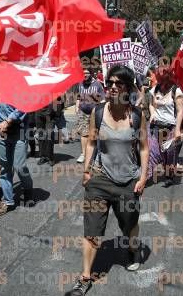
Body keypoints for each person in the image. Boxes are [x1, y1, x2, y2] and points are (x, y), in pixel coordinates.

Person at [70, 65, 149, 296]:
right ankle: (85, 277)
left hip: (128, 181)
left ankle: (132, 248)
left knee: (130, 225)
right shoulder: (97, 112)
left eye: (119, 83)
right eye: (110, 82)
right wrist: (86, 170)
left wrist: (143, 176)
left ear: (128, 88)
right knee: (92, 230)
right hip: (100, 179)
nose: (113, 87)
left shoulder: (136, 115)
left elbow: (144, 148)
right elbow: (92, 142)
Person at [148, 67, 183, 187]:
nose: (159, 82)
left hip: (171, 127)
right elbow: (151, 105)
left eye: (161, 79)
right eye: (158, 79)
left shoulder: (176, 91)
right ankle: (146, 175)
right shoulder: (155, 89)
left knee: (169, 152)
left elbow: (180, 112)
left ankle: (169, 176)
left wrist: (178, 130)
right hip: (157, 126)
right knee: (154, 151)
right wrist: (152, 113)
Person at [75, 69, 105, 163]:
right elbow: (78, 97)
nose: (85, 75)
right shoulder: (80, 84)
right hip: (82, 112)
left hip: (94, 112)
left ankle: (94, 153)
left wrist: (101, 111)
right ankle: (83, 154)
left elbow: (103, 99)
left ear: (91, 74)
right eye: (83, 73)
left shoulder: (97, 84)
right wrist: (77, 107)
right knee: (84, 133)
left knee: (94, 133)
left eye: (87, 73)